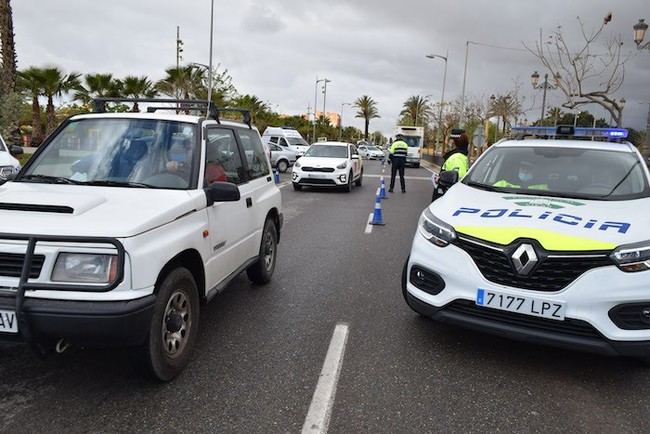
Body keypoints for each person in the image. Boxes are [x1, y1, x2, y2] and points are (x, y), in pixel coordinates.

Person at [432, 129, 469, 201]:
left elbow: (457, 178)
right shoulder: (458, 155)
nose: (446, 143)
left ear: (453, 143)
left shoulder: (457, 157)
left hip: (448, 196)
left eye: (449, 140)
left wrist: (440, 179)